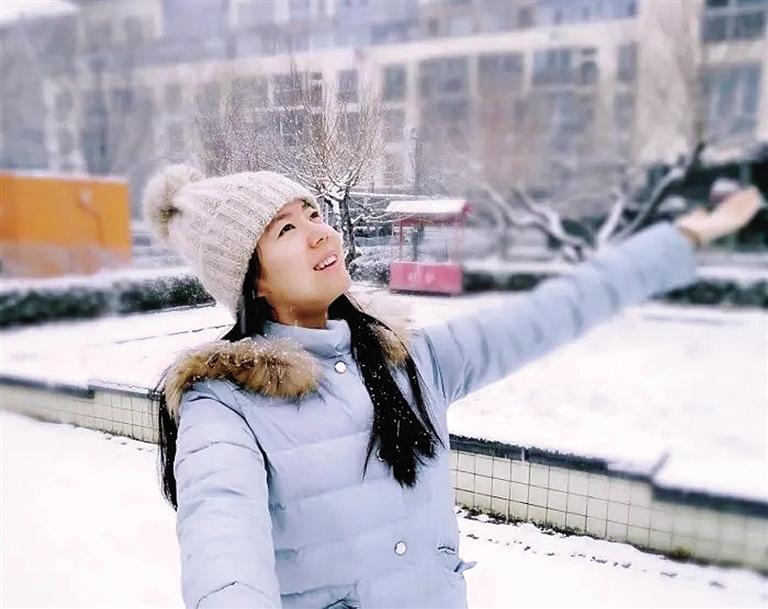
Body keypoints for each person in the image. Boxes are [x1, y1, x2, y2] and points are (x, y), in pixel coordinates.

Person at [142, 165, 763, 609]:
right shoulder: (222, 408)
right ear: (250, 281)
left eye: (314, 215)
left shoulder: (411, 365)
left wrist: (681, 239)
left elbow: (554, 310)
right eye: (285, 230)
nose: (321, 233)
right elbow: (223, 557)